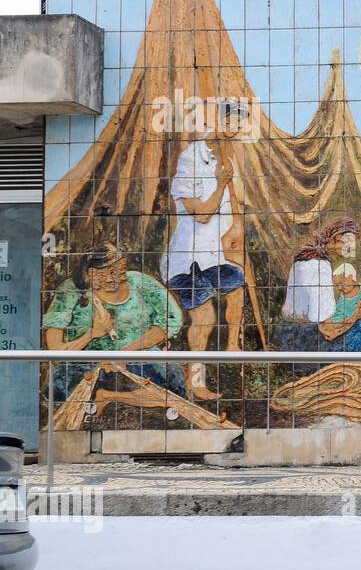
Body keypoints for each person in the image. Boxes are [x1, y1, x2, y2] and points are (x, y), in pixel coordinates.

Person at [273, 217, 361, 395]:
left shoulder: (304, 259)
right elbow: (328, 331)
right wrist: (356, 315)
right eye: (348, 245)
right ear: (335, 238)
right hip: (311, 347)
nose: (350, 251)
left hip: (290, 338)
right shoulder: (320, 266)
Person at [42, 243, 185, 405]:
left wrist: (124, 354)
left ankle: (109, 396)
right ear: (89, 273)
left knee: (175, 385)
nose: (112, 279)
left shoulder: (140, 282)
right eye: (104, 274)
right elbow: (55, 351)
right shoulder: (71, 290)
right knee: (57, 391)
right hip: (87, 361)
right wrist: (93, 333)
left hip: (137, 354)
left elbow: (172, 319)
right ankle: (107, 396)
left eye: (119, 272)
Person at [164, 127, 246, 400]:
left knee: (237, 285)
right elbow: (202, 215)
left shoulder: (216, 162)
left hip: (211, 257)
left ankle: (233, 347)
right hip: (186, 261)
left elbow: (231, 200)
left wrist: (235, 226)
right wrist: (222, 183)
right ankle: (195, 382)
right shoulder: (184, 181)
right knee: (205, 317)